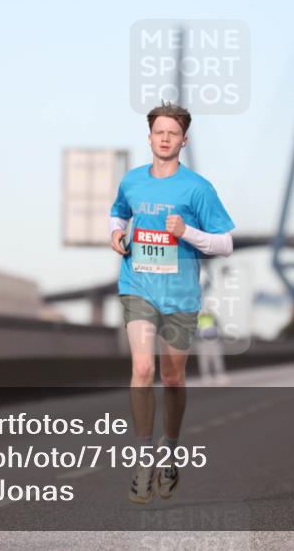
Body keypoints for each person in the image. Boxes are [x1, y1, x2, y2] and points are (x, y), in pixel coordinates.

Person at [109, 101, 235, 504]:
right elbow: (118, 214)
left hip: (180, 296)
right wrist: (116, 235)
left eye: (173, 133)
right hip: (137, 285)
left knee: (174, 378)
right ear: (149, 138)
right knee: (143, 368)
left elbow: (225, 244)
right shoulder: (132, 181)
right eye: (159, 132)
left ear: (184, 140)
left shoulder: (198, 188)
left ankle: (171, 451)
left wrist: (187, 233)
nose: (165, 139)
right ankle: (144, 458)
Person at [196, 306, 228, 384]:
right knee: (204, 360)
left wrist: (219, 337)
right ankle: (206, 376)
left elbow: (218, 328)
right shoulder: (197, 318)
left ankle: (219, 375)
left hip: (214, 341)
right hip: (202, 342)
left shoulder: (212, 317)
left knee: (216, 359)